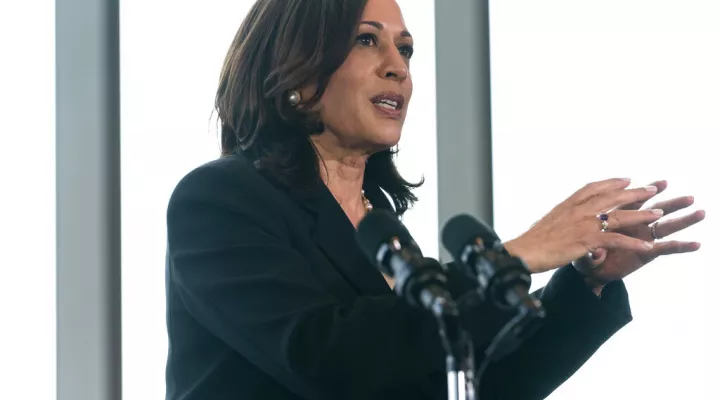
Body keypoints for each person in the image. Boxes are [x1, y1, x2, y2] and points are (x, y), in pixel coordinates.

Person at [164, 0, 705, 399]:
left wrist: (590, 280)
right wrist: (515, 256)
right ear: (296, 71)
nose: (398, 67)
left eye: (406, 49)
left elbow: (481, 384)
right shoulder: (219, 200)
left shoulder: (384, 233)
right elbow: (322, 359)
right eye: (366, 40)